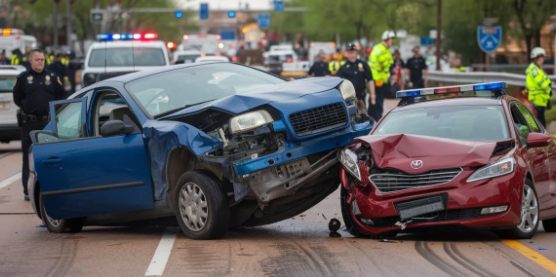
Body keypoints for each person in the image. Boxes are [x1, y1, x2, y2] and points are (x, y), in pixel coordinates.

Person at [12, 49, 66, 201]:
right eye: (37, 59)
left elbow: (61, 93)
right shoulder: (23, 78)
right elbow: (17, 97)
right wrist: (27, 105)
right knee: (28, 157)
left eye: (42, 59)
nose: (41, 62)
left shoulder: (52, 76)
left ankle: (52, 187)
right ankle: (27, 191)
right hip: (30, 123)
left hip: (47, 123)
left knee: (51, 156)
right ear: (31, 61)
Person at [337, 43, 374, 115]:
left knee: (363, 116)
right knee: (352, 117)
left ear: (356, 53)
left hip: (361, 97)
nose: (352, 55)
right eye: (350, 53)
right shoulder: (343, 68)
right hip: (348, 99)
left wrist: (373, 96)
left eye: (353, 52)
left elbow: (370, 80)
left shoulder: (363, 64)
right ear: (347, 54)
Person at [368, 30, 395, 121]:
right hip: (377, 79)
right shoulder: (380, 49)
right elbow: (383, 64)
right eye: (391, 39)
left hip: (381, 80)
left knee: (379, 100)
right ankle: (376, 119)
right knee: (377, 101)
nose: (393, 41)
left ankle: (375, 118)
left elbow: (390, 63)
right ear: (386, 39)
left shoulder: (385, 49)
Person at [526, 47, 552, 127]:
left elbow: (545, 80)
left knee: (540, 120)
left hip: (540, 99)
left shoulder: (537, 69)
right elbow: (540, 81)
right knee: (540, 121)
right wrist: (548, 90)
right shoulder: (534, 69)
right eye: (541, 58)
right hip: (536, 99)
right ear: (536, 59)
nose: (542, 60)